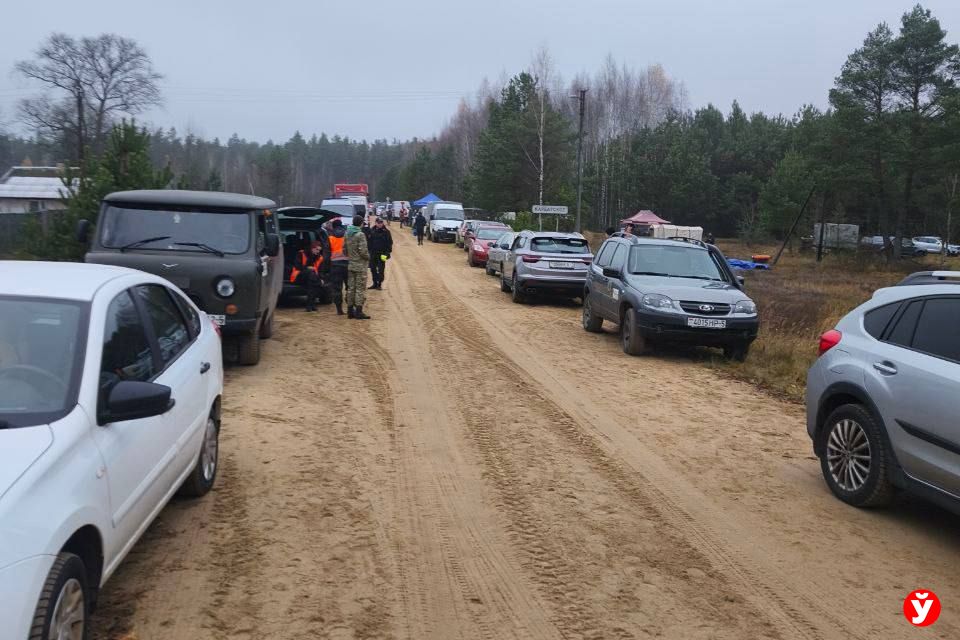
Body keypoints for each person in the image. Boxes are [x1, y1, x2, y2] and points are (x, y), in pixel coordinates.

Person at [344, 214, 371, 320]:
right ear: (360, 223)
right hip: (360, 266)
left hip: (351, 264)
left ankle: (350, 311)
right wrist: (368, 257)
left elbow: (344, 249)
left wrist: (351, 256)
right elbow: (363, 251)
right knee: (360, 288)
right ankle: (359, 311)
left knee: (351, 288)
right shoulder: (360, 234)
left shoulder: (347, 233)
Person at [290, 240, 326, 312]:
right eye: (316, 249)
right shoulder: (301, 253)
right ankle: (311, 305)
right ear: (312, 248)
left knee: (312, 283)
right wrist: (307, 268)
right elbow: (297, 266)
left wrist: (321, 278)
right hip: (299, 275)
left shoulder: (320, 258)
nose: (318, 251)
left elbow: (321, 271)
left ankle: (310, 305)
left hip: (312, 278)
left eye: (319, 250)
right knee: (311, 275)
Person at [326, 220, 349, 315]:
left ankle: (339, 309)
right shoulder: (347, 236)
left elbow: (327, 254)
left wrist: (325, 269)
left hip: (335, 266)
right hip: (348, 264)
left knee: (337, 288)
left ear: (333, 226)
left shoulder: (330, 237)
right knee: (350, 287)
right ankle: (350, 307)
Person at [368, 217, 393, 289]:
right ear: (375, 223)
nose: (380, 224)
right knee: (372, 268)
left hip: (383, 253)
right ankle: (374, 283)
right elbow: (369, 242)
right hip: (373, 253)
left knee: (381, 269)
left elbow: (390, 243)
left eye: (381, 223)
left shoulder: (386, 232)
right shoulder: (371, 231)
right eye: (378, 223)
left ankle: (379, 284)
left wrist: (387, 252)